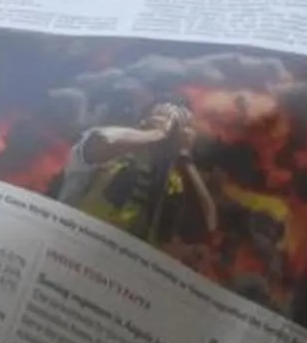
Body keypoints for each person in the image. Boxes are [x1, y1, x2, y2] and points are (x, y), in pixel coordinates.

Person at [53, 101, 221, 249]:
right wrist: (156, 134)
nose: (173, 129)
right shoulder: (111, 150)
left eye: (183, 124)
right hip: (74, 246)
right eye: (167, 116)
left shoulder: (177, 180)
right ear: (144, 120)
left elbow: (207, 226)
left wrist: (184, 156)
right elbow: (104, 141)